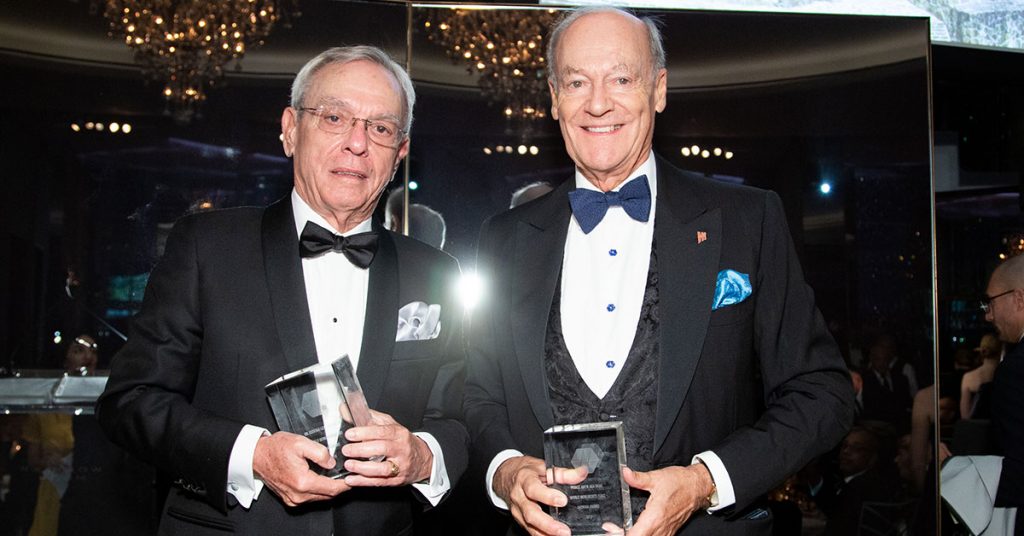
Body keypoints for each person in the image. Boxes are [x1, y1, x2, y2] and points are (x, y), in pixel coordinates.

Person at [465, 7, 855, 535]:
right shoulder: (504, 238)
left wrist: (706, 480)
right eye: (577, 81)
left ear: (659, 89)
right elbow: (478, 395)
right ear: (555, 99)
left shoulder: (746, 220)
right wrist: (505, 470)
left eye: (621, 78)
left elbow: (822, 392)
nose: (598, 102)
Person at [97, 46, 467, 535]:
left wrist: (422, 455)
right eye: (334, 117)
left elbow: (459, 419)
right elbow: (131, 401)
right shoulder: (207, 247)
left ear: (400, 151)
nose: (357, 143)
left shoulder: (437, 272)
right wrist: (251, 454)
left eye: (380, 127)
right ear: (291, 129)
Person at [980, 254, 1024, 532]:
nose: (988, 315)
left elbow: (1019, 474)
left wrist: (959, 473)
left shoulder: (1016, 369)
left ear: (1018, 299)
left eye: (991, 302)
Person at [960, 332, 1002, 419]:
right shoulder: (1008, 375)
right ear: (1001, 351)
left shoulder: (969, 378)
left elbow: (965, 415)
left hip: (977, 430)